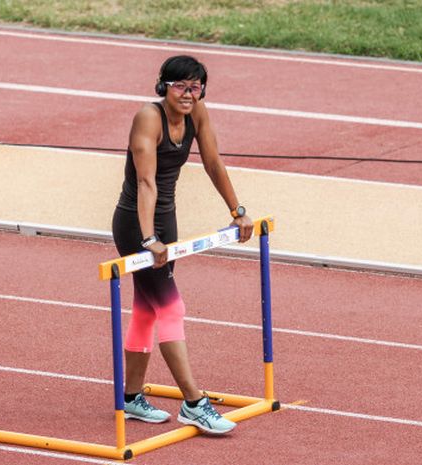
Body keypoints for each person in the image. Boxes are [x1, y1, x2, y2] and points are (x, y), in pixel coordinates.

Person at [112, 55, 253, 434]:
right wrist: (149, 239)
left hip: (165, 221)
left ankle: (131, 397)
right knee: (172, 307)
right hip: (135, 223)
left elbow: (212, 161)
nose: (189, 94)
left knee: (147, 308)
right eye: (180, 86)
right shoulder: (148, 118)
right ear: (163, 86)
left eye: (196, 86)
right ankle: (193, 402)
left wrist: (237, 210)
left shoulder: (197, 112)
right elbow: (146, 183)